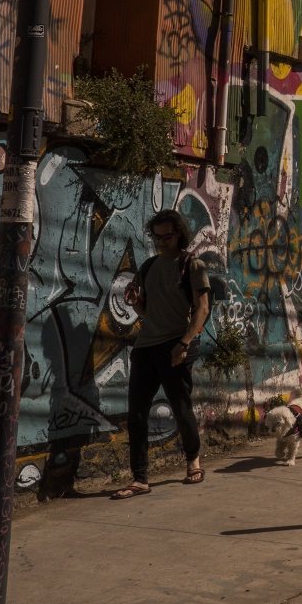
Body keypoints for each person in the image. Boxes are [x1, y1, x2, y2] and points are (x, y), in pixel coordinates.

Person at [110, 209, 210, 498]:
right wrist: (135, 302)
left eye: (168, 235)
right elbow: (145, 311)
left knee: (180, 408)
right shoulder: (149, 266)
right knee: (137, 414)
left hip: (176, 344)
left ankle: (193, 460)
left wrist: (184, 344)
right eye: (157, 236)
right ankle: (140, 478)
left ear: (179, 233)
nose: (162, 241)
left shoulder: (193, 265)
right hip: (146, 347)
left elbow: (201, 309)